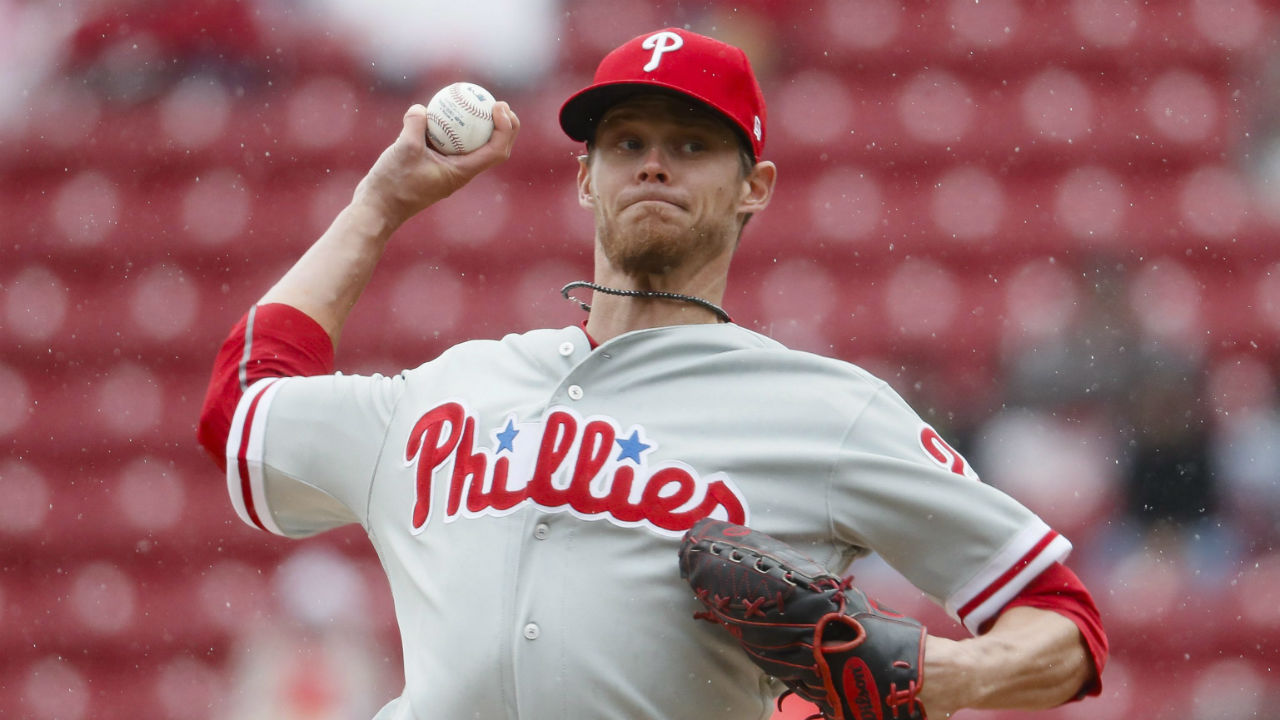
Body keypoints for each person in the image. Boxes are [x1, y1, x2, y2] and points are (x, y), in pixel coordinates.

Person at [198, 28, 1108, 720]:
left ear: (755, 186)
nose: (655, 165)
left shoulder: (825, 411)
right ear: (585, 178)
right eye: (626, 143)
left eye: (692, 143)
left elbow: (1064, 622)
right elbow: (241, 410)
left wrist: (949, 675)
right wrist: (380, 204)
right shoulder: (453, 387)